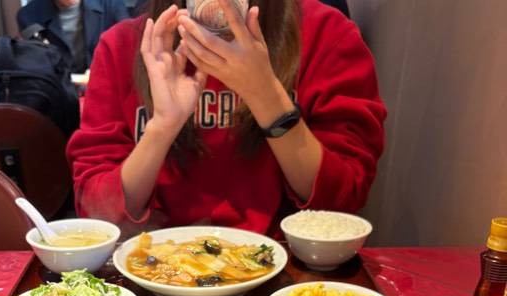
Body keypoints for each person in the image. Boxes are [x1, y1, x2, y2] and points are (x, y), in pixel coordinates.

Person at [66, 0, 386, 235]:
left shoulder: (325, 34)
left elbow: (342, 200)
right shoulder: (123, 46)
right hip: (151, 272)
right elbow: (98, 213)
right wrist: (161, 127)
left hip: (288, 281)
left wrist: (268, 98)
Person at [17, 0, 129, 72]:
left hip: (105, 84)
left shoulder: (111, 4)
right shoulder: (28, 15)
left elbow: (127, 51)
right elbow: (37, 66)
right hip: (57, 91)